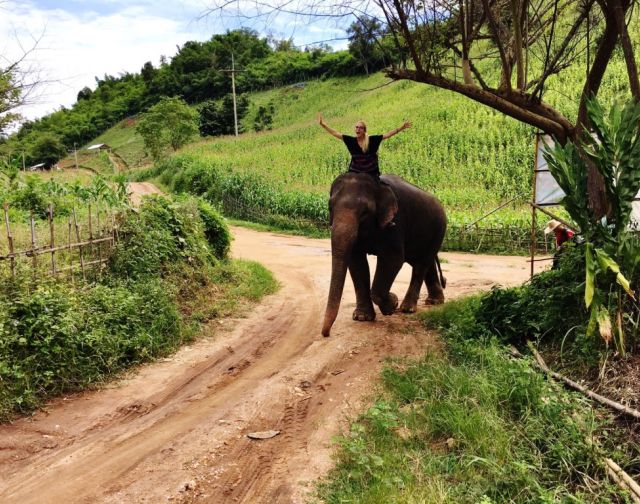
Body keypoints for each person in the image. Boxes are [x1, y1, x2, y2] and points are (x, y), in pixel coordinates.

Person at [318, 113, 411, 181]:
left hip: (371, 173)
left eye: (360, 128)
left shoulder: (373, 140)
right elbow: (335, 133)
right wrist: (323, 125)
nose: (358, 129)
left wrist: (401, 127)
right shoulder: (351, 141)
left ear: (364, 130)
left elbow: (387, 135)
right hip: (354, 173)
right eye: (356, 127)